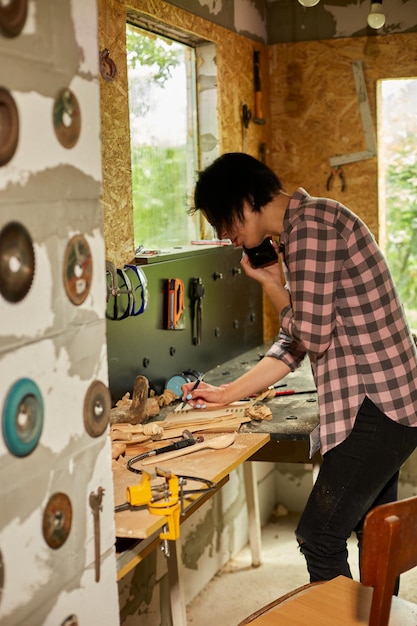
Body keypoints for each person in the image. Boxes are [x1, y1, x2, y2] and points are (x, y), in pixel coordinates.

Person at [182, 152, 417, 584]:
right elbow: (296, 343)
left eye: (224, 221)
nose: (226, 235)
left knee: (318, 537)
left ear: (247, 199)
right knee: (375, 531)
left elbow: (312, 334)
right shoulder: (301, 233)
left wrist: (273, 284)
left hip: (378, 408)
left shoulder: (312, 230)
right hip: (390, 404)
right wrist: (227, 393)